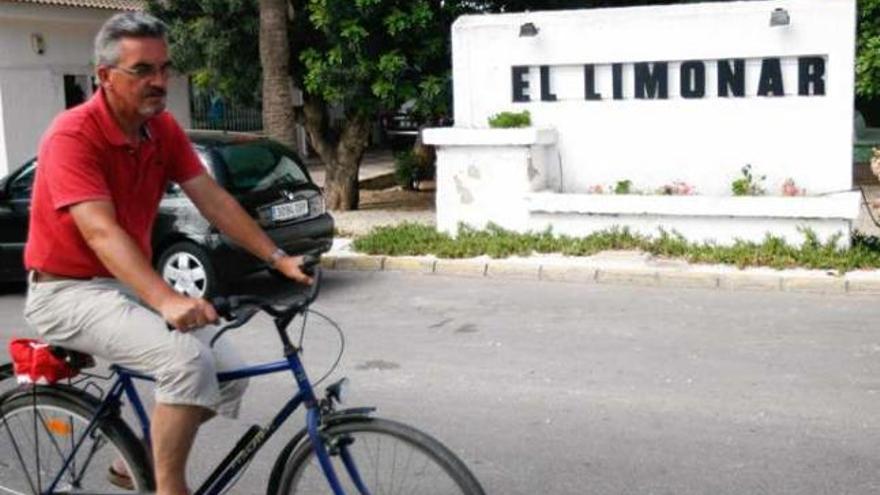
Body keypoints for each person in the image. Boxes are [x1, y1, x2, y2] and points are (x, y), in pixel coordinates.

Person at [22, 12, 310, 495]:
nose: (159, 81)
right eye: (143, 70)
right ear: (105, 76)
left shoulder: (162, 129)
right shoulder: (73, 135)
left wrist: (278, 258)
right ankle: (166, 486)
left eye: (164, 68)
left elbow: (214, 200)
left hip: (126, 285)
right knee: (184, 361)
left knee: (230, 372)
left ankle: (128, 465)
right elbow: (101, 233)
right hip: (66, 291)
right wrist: (166, 300)